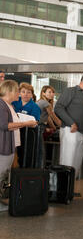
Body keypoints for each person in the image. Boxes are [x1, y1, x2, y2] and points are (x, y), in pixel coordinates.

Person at [0, 81, 37, 210]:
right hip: (2, 146)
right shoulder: (2, 105)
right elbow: (5, 125)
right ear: (9, 92)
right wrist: (25, 123)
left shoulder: (8, 105)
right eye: (17, 91)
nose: (19, 95)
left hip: (8, 146)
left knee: (3, 174)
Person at [55, 72, 83, 178]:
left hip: (82, 133)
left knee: (76, 164)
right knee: (67, 161)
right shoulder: (71, 91)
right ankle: (62, 189)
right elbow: (58, 108)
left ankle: (70, 189)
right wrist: (71, 123)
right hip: (71, 131)